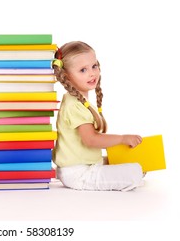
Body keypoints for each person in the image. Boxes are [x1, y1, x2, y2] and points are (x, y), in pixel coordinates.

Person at [52, 41, 144, 191]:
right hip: (78, 173)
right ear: (67, 76)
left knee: (132, 162)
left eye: (94, 66)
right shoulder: (74, 105)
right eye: (83, 70)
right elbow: (91, 139)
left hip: (85, 164)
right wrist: (122, 139)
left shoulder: (77, 101)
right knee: (135, 172)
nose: (92, 73)